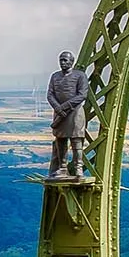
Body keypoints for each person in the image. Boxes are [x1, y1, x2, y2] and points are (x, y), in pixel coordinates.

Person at [47, 51, 88, 179]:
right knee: (61, 140)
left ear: (72, 61)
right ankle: (62, 167)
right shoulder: (55, 76)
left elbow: (82, 95)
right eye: (61, 60)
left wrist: (65, 106)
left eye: (65, 60)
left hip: (75, 113)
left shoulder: (80, 76)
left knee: (76, 140)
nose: (63, 63)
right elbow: (50, 94)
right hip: (60, 114)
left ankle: (78, 168)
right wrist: (57, 108)